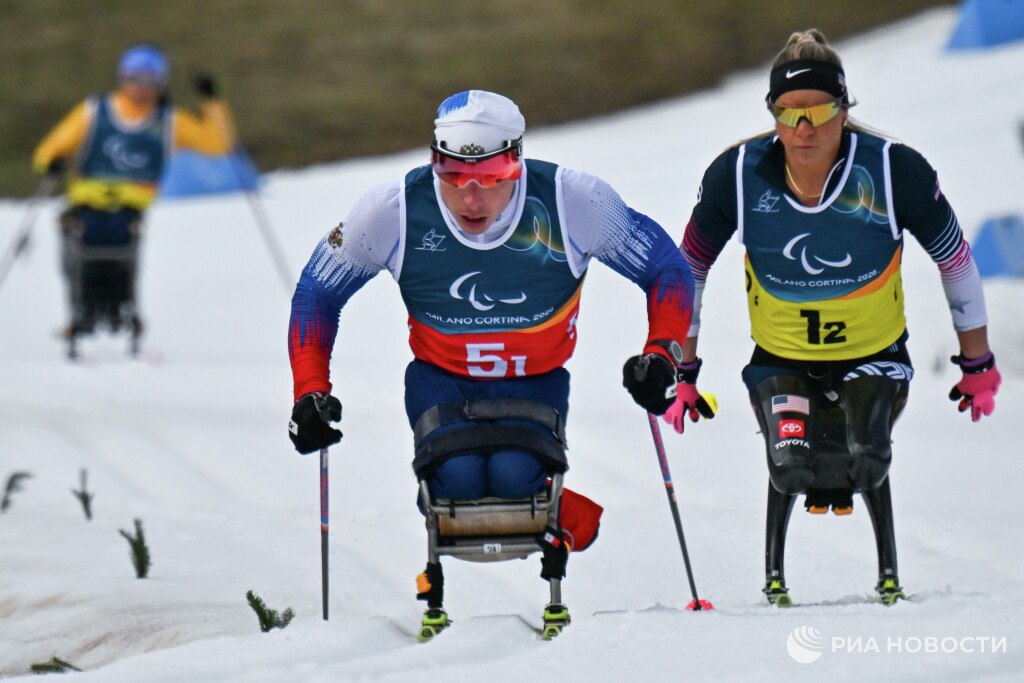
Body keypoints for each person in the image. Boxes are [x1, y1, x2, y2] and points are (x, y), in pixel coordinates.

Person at [286, 90, 694, 620]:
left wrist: (661, 354)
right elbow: (317, 293)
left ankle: (563, 517)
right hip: (441, 378)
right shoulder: (393, 211)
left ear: (517, 163)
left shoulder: (573, 201)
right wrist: (310, 392)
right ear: (434, 162)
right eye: (453, 175)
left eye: (492, 177)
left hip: (535, 379)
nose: (471, 198)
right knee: (454, 483)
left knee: (510, 477)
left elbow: (666, 268)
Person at [663, 30, 1002, 606]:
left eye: (819, 111)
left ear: (843, 110)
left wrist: (978, 362)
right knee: (790, 469)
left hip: (876, 357)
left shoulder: (893, 171)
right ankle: (774, 574)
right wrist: (683, 368)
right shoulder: (738, 175)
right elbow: (687, 269)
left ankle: (887, 569)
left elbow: (955, 260)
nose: (804, 128)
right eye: (788, 112)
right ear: (772, 114)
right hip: (781, 360)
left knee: (868, 460)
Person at [32, 43, 236, 357]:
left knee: (118, 246)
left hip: (130, 209)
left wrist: (213, 102)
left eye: (150, 80)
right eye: (134, 78)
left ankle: (116, 311)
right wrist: (53, 162)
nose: (141, 88)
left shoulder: (169, 121)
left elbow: (218, 144)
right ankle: (84, 312)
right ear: (122, 78)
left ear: (161, 84)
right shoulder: (94, 111)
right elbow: (48, 151)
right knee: (84, 243)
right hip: (87, 204)